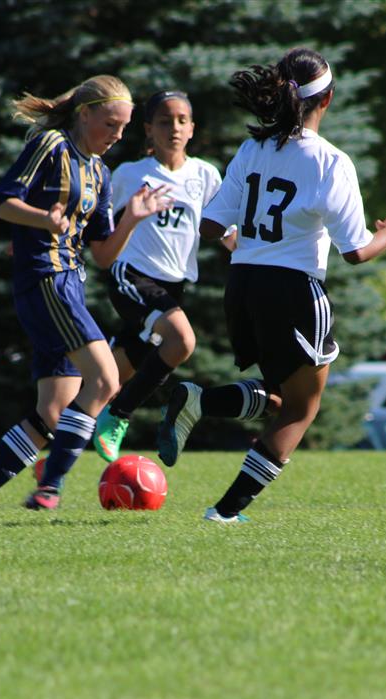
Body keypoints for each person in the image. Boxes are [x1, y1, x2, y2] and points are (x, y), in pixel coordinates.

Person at [163, 48, 386, 523]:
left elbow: (211, 227)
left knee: (277, 397)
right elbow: (356, 251)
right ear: (328, 99)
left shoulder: (253, 149)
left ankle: (200, 401)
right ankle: (226, 512)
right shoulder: (330, 161)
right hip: (293, 291)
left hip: (242, 286)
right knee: (300, 410)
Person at [0, 74, 169, 511]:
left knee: (53, 412)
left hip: (69, 284)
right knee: (105, 380)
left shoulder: (100, 172)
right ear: (84, 115)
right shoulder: (51, 145)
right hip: (46, 278)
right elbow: (1, 201)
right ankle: (50, 487)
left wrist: (132, 218)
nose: (117, 135)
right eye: (109, 124)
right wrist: (43, 220)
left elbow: (102, 253)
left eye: (123, 128)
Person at [90, 90, 230, 462]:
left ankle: (52, 459)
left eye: (182, 121)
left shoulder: (205, 175)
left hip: (173, 288)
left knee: (105, 381)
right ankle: (119, 415)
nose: (175, 128)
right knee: (182, 341)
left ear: (193, 128)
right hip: (132, 278)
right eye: (165, 121)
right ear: (149, 129)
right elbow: (97, 224)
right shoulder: (130, 174)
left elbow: (226, 232)